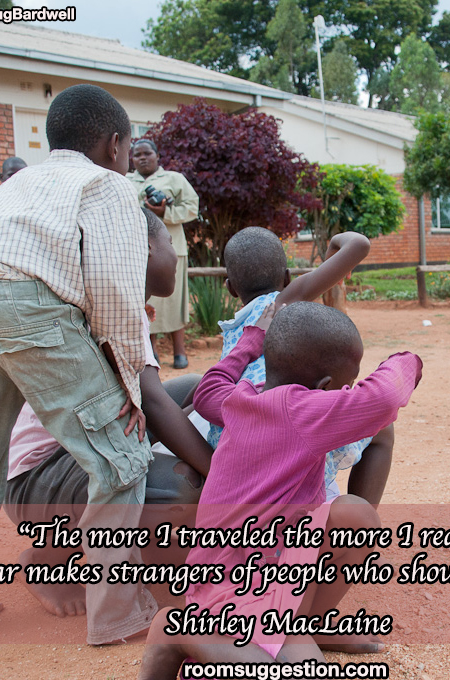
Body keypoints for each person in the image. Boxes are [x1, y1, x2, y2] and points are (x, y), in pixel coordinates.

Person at [0, 83, 156, 644]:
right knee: (121, 457)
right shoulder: (107, 186)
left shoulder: (14, 185)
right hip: (27, 307)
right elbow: (117, 293)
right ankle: (117, 614)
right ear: (116, 145)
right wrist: (127, 390)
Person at [138, 301, 423, 679]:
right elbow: (385, 397)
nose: (348, 391)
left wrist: (251, 339)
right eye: (346, 383)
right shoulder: (305, 412)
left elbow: (208, 388)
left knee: (355, 514)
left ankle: (312, 624)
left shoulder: (242, 397)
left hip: (279, 562)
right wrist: (409, 359)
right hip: (228, 586)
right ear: (322, 388)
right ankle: (177, 632)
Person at [3, 209, 213, 618]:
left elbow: (153, 402)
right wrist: (224, 474)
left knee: (198, 387)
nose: (175, 252)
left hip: (75, 452)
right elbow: (152, 403)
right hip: (39, 481)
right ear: (146, 249)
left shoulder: (118, 301)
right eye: (169, 244)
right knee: (178, 488)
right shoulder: (114, 306)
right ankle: (46, 559)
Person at [209, 226, 394, 506]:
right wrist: (333, 246)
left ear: (230, 287)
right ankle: (362, 523)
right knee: (383, 428)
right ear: (287, 277)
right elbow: (359, 244)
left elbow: (205, 390)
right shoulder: (283, 302)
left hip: (237, 442)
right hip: (290, 433)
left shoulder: (234, 329)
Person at [128, 139, 199, 369]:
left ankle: (180, 352)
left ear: (157, 156)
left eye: (147, 153)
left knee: (175, 300)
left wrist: (165, 211)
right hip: (137, 252)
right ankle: (152, 352)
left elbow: (192, 208)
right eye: (137, 154)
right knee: (145, 300)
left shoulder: (174, 178)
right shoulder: (125, 180)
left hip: (172, 249)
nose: (142, 157)